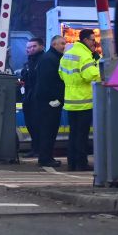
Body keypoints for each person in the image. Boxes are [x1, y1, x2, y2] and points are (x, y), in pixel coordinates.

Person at [59, 29, 102, 171]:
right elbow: (90, 76)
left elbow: (61, 74)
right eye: (92, 39)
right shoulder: (84, 55)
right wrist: (100, 67)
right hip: (84, 100)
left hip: (70, 100)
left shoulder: (68, 54)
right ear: (85, 40)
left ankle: (71, 163)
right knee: (82, 135)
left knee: (73, 133)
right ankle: (81, 163)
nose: (94, 42)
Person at [32, 35, 67, 167]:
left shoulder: (50, 57)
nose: (64, 46)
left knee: (49, 130)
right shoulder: (50, 59)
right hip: (48, 102)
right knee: (48, 130)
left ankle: (46, 157)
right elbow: (49, 82)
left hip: (47, 101)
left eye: (64, 43)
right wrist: (57, 98)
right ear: (54, 45)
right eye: (61, 44)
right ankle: (46, 158)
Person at [19, 37, 44, 158]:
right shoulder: (29, 62)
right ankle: (35, 148)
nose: (31, 49)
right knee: (31, 124)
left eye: (34, 46)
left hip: (38, 98)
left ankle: (39, 149)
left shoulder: (42, 61)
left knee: (38, 125)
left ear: (41, 47)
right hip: (28, 98)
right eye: (29, 47)